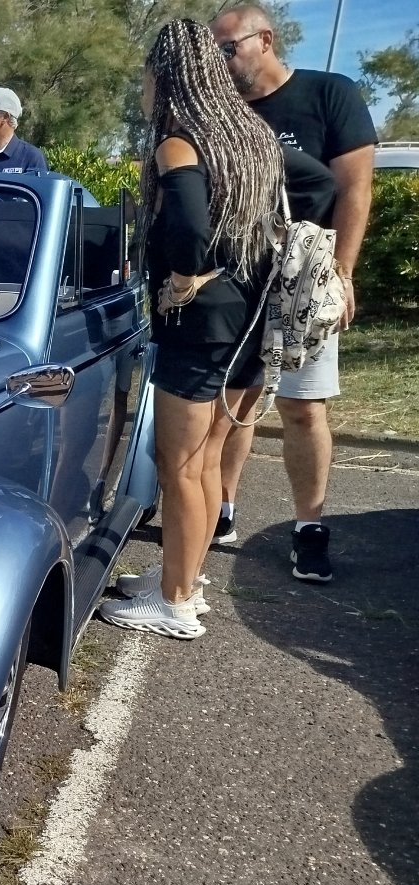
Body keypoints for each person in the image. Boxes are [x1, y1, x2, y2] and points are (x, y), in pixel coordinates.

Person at [98, 18, 284, 640]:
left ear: (166, 76)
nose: (144, 88)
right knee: (205, 464)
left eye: (147, 76)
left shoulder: (180, 143)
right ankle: (187, 578)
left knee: (178, 465)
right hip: (251, 319)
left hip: (200, 326)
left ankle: (174, 602)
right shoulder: (251, 136)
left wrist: (183, 276)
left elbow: (191, 234)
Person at [209, 3, 376, 582]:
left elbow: (355, 189)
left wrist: (343, 272)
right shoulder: (223, 112)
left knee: (303, 407)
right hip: (239, 278)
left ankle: (309, 529)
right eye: (216, 51)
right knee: (234, 402)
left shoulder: (330, 93)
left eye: (229, 48)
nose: (222, 60)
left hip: (305, 273)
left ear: (265, 40)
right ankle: (221, 510)